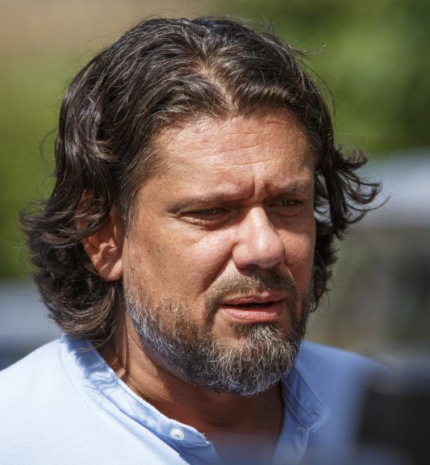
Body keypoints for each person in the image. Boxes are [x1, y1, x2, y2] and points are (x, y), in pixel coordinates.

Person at [0, 17, 381, 465]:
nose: (266, 248)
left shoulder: (384, 417)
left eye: (287, 204)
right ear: (103, 235)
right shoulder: (18, 437)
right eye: (212, 212)